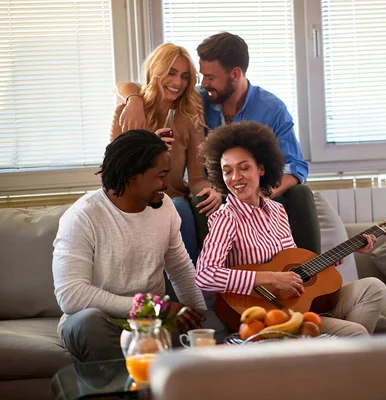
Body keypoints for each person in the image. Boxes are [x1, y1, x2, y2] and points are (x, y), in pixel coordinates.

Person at [116, 32, 321, 255]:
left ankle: (313, 272)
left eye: (210, 77)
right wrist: (133, 100)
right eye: (201, 76)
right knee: (201, 203)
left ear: (235, 74)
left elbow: (296, 168)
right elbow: (145, 85)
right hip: (219, 193)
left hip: (262, 193)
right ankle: (213, 285)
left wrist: (255, 196)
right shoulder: (197, 101)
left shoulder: (271, 109)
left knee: (301, 194)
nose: (203, 84)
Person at [196, 121, 386, 336]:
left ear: (261, 168)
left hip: (297, 301)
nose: (235, 178)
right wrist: (272, 278)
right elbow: (205, 275)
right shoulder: (226, 218)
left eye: (244, 167)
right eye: (227, 171)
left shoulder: (277, 211)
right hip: (261, 310)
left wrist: (346, 250)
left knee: (374, 287)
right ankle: (329, 341)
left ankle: (323, 344)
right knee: (356, 332)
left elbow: (294, 265)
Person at [52, 130, 225, 362]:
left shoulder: (165, 208)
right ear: (133, 175)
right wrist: (154, 306)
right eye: (161, 175)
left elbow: (181, 269)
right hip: (103, 322)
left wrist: (197, 318)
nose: (167, 184)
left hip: (151, 322)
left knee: (214, 326)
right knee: (88, 324)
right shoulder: (83, 216)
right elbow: (70, 295)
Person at [111, 43, 222, 263]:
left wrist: (213, 190)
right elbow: (114, 175)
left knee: (196, 206)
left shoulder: (189, 116)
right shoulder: (129, 112)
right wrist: (149, 151)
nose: (178, 82)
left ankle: (205, 284)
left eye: (184, 76)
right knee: (178, 207)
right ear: (156, 71)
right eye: (171, 73)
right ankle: (188, 287)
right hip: (136, 200)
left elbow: (198, 178)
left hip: (174, 199)